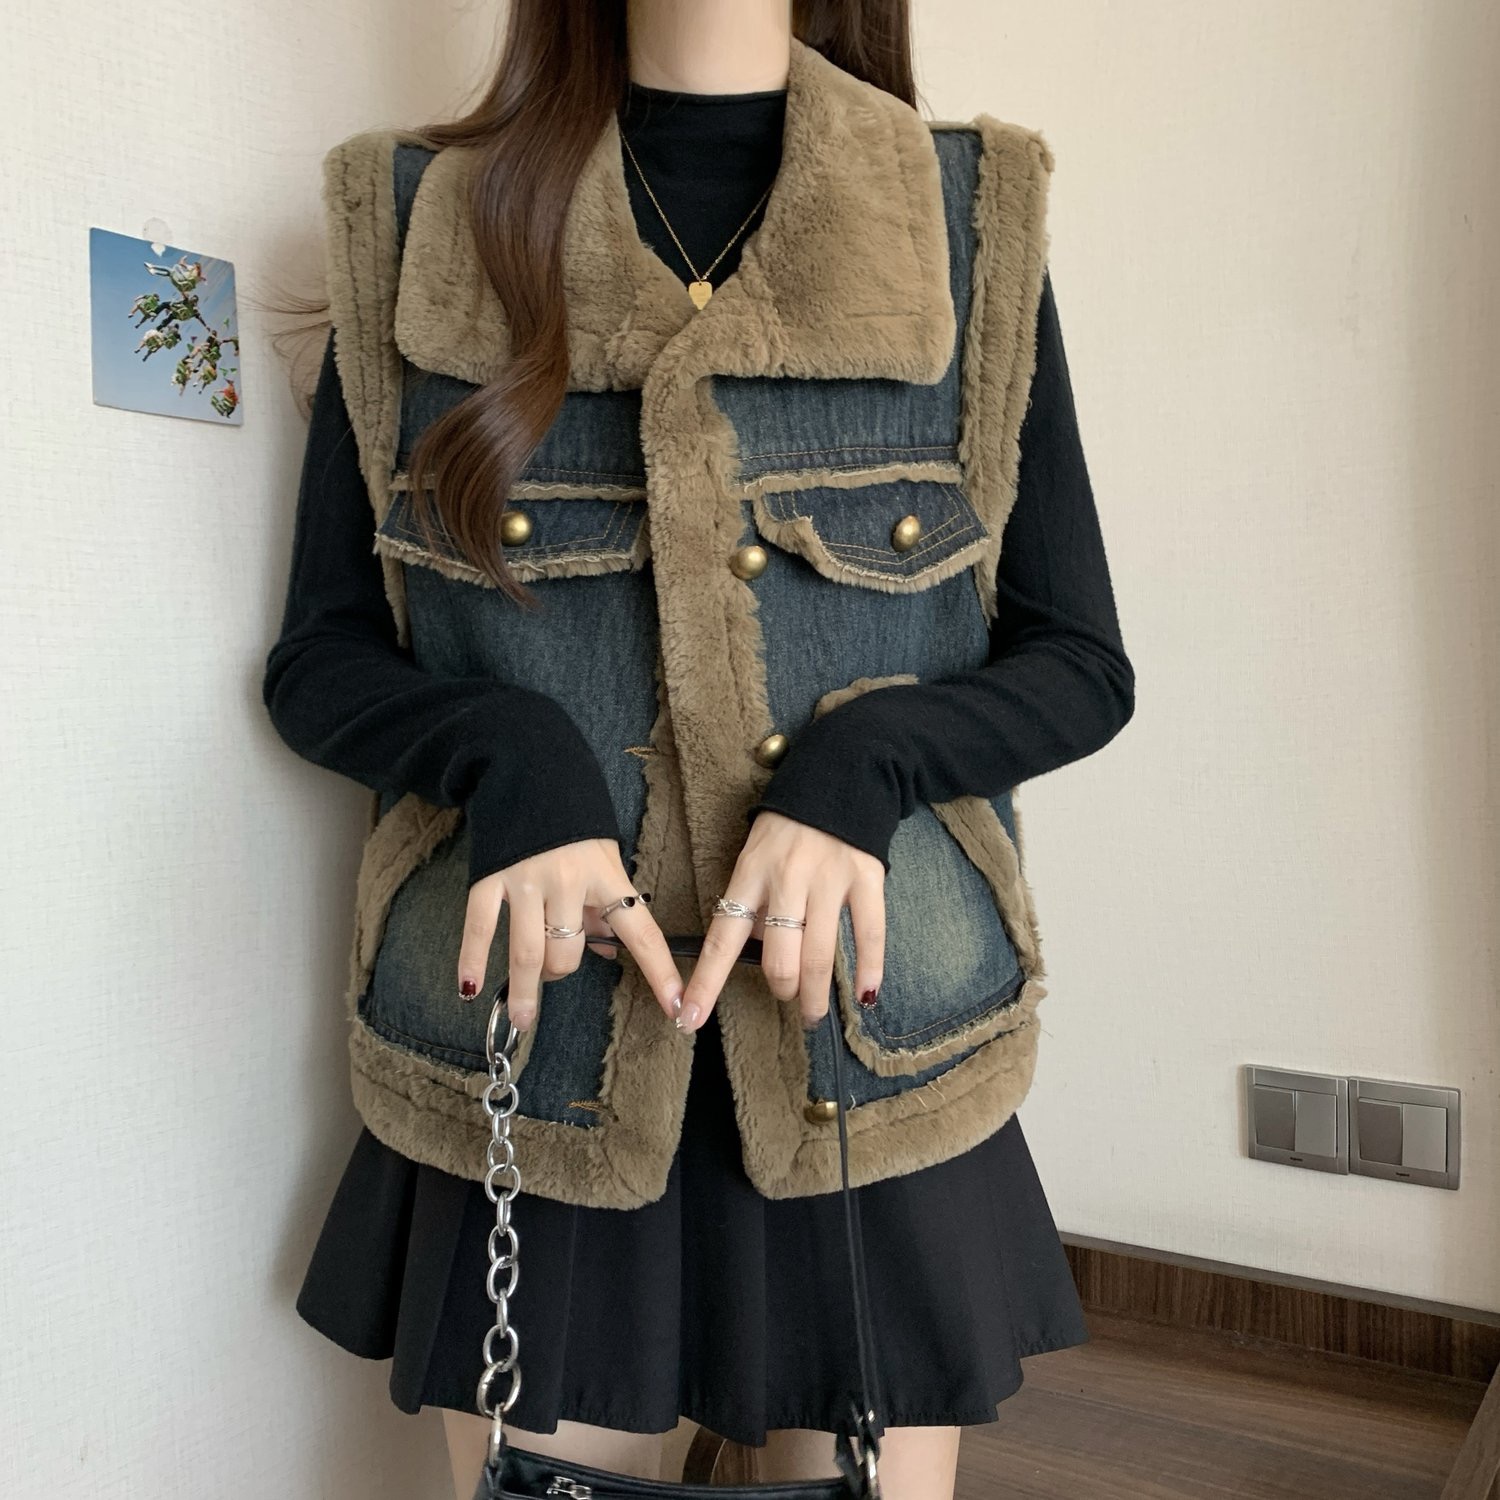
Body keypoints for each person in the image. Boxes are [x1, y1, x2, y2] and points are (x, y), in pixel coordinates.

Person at [262, 3, 1135, 1497]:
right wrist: (506, 752)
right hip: (540, 1058)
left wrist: (864, 766)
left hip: (872, 1055)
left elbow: (1080, 661)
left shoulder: (963, 218)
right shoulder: (414, 224)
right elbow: (319, 659)